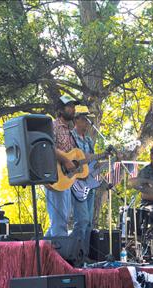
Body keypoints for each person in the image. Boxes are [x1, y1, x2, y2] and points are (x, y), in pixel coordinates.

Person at [45, 95, 80, 237]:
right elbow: (48, 147)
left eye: (74, 106)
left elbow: (73, 154)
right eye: (69, 106)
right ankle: (60, 257)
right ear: (60, 110)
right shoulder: (53, 126)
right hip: (55, 176)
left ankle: (40, 253)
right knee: (59, 221)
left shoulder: (70, 130)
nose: (73, 109)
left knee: (61, 219)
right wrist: (65, 160)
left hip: (66, 179)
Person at [70, 111, 95, 258]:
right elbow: (74, 159)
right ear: (76, 120)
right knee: (82, 220)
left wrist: (104, 161)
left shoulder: (89, 141)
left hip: (89, 183)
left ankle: (84, 256)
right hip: (75, 182)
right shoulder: (71, 136)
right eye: (85, 119)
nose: (87, 122)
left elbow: (91, 162)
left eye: (88, 120)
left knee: (89, 223)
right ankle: (72, 254)